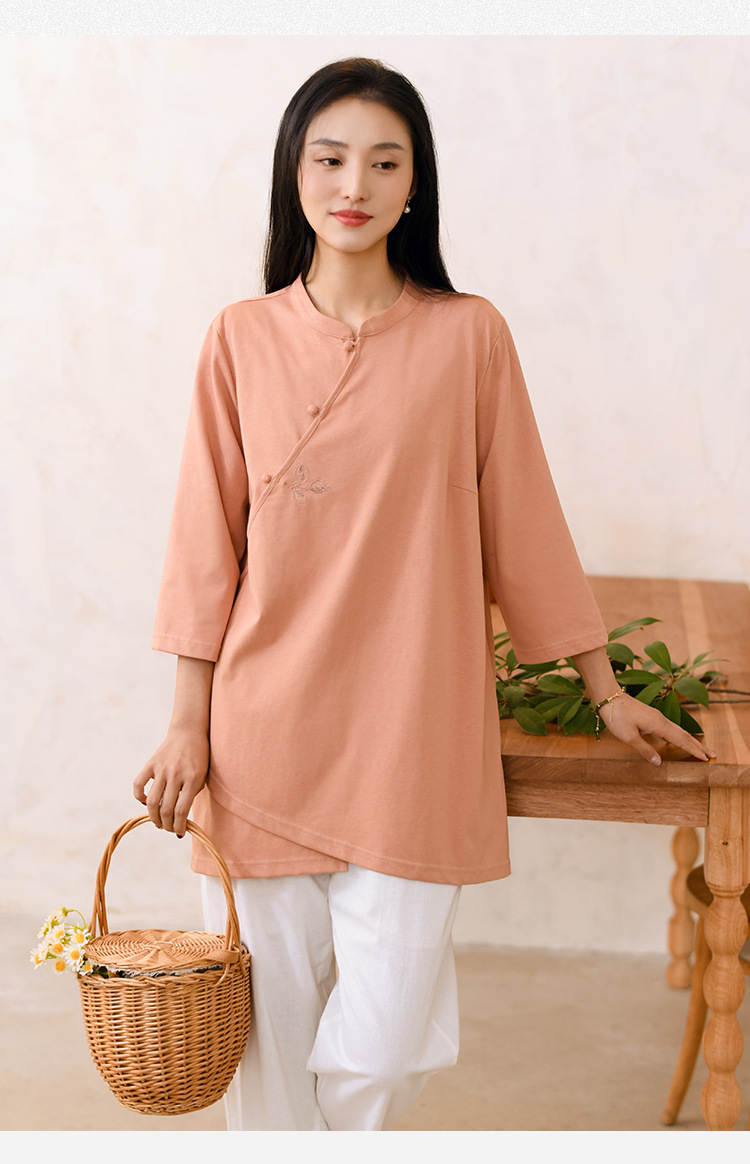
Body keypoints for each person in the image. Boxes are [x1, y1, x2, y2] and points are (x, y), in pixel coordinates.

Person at [134, 58, 714, 1132]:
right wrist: (185, 724)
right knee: (266, 1043)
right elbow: (202, 548)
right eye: (330, 158)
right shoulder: (240, 339)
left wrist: (603, 688)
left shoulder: (468, 336)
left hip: (416, 734)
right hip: (261, 739)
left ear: (416, 186)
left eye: (384, 162)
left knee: (389, 1040)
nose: (354, 183)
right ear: (294, 174)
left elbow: (525, 525)